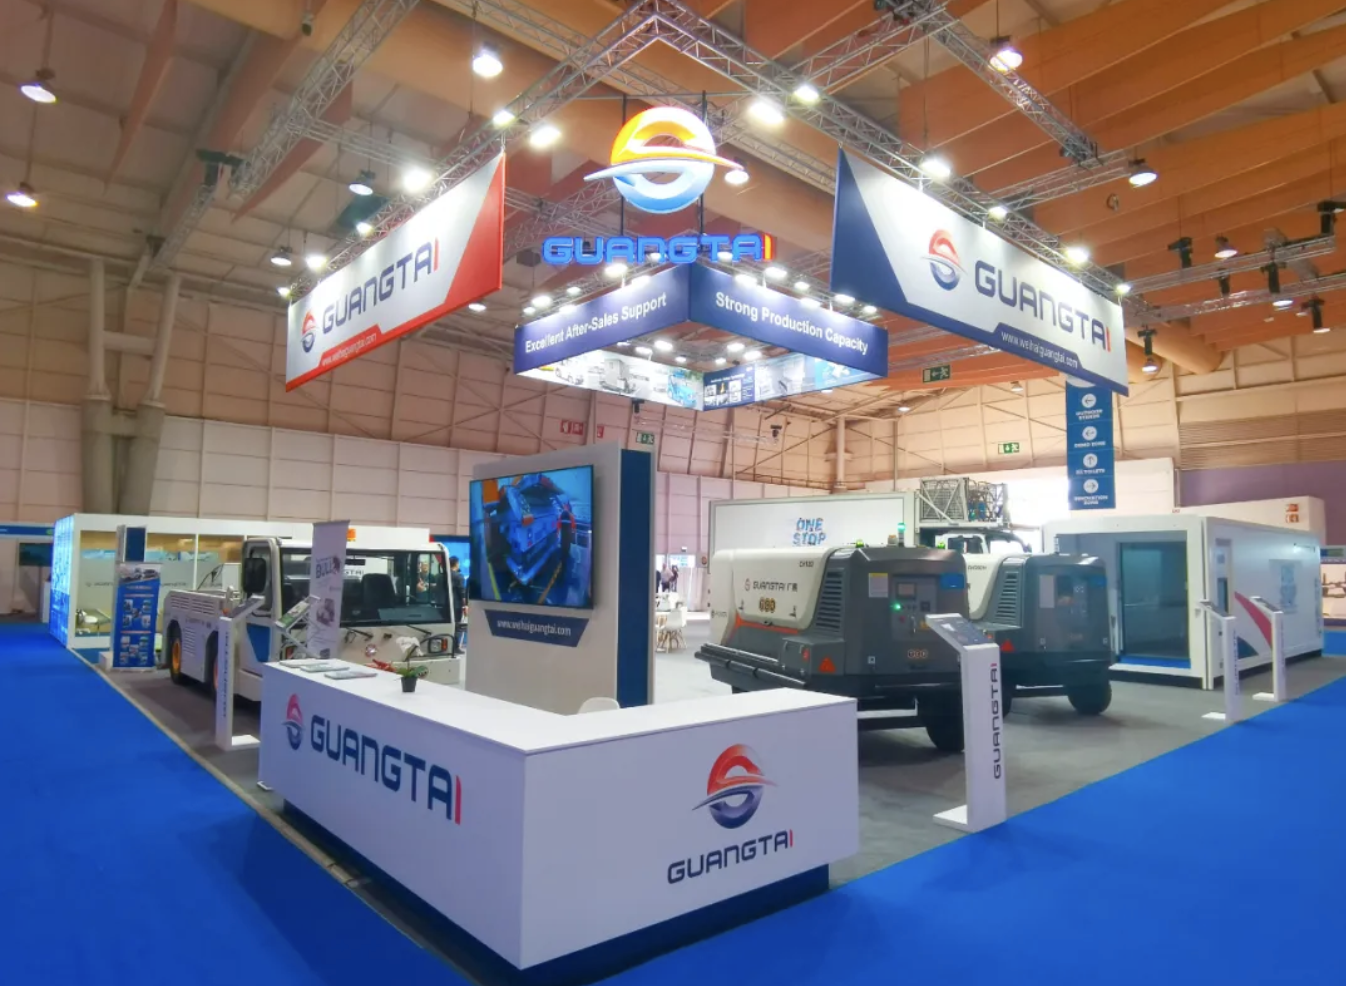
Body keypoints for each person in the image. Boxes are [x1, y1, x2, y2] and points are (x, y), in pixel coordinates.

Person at [449, 556, 467, 656]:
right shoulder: (459, 576)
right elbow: (462, 593)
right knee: (457, 626)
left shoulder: (442, 575)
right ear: (456, 563)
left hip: (445, 605)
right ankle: (455, 647)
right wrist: (465, 606)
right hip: (456, 606)